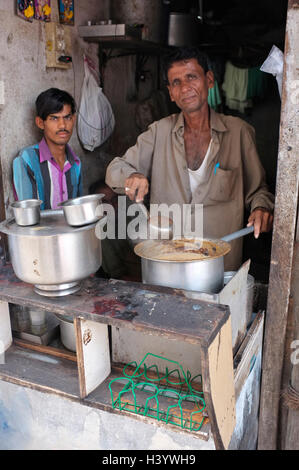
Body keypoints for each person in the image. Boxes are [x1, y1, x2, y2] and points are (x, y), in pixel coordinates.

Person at [105, 47, 275, 271]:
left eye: (191, 77)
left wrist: (261, 208)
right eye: (176, 82)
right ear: (171, 93)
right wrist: (132, 176)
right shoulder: (158, 132)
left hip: (219, 265)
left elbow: (258, 190)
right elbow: (115, 168)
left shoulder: (239, 132)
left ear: (209, 80)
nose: (185, 88)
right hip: (167, 265)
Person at [13, 88, 82, 210]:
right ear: (40, 123)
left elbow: (78, 209)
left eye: (67, 117)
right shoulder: (27, 161)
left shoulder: (75, 163)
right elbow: (28, 216)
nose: (62, 125)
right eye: (54, 118)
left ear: (73, 119)